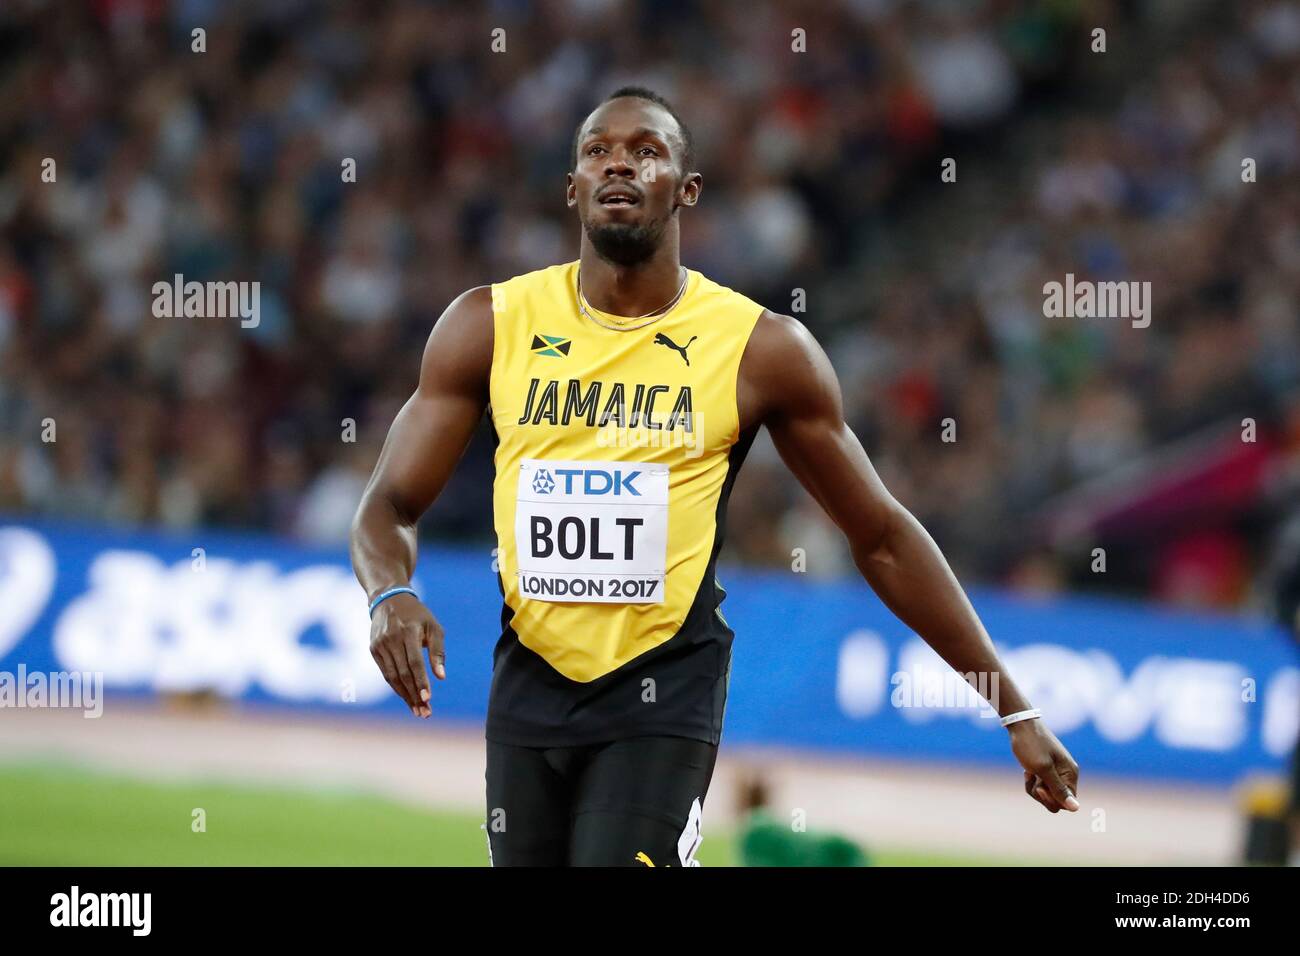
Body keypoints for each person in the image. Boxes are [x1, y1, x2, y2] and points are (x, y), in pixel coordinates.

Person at [349, 87, 1080, 867]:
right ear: (573, 188)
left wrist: (1014, 708)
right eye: (597, 151)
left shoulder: (761, 348)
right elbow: (387, 505)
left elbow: (883, 534)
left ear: (686, 190)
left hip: (663, 689)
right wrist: (390, 594)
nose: (619, 162)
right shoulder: (487, 326)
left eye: (647, 150)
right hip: (528, 682)